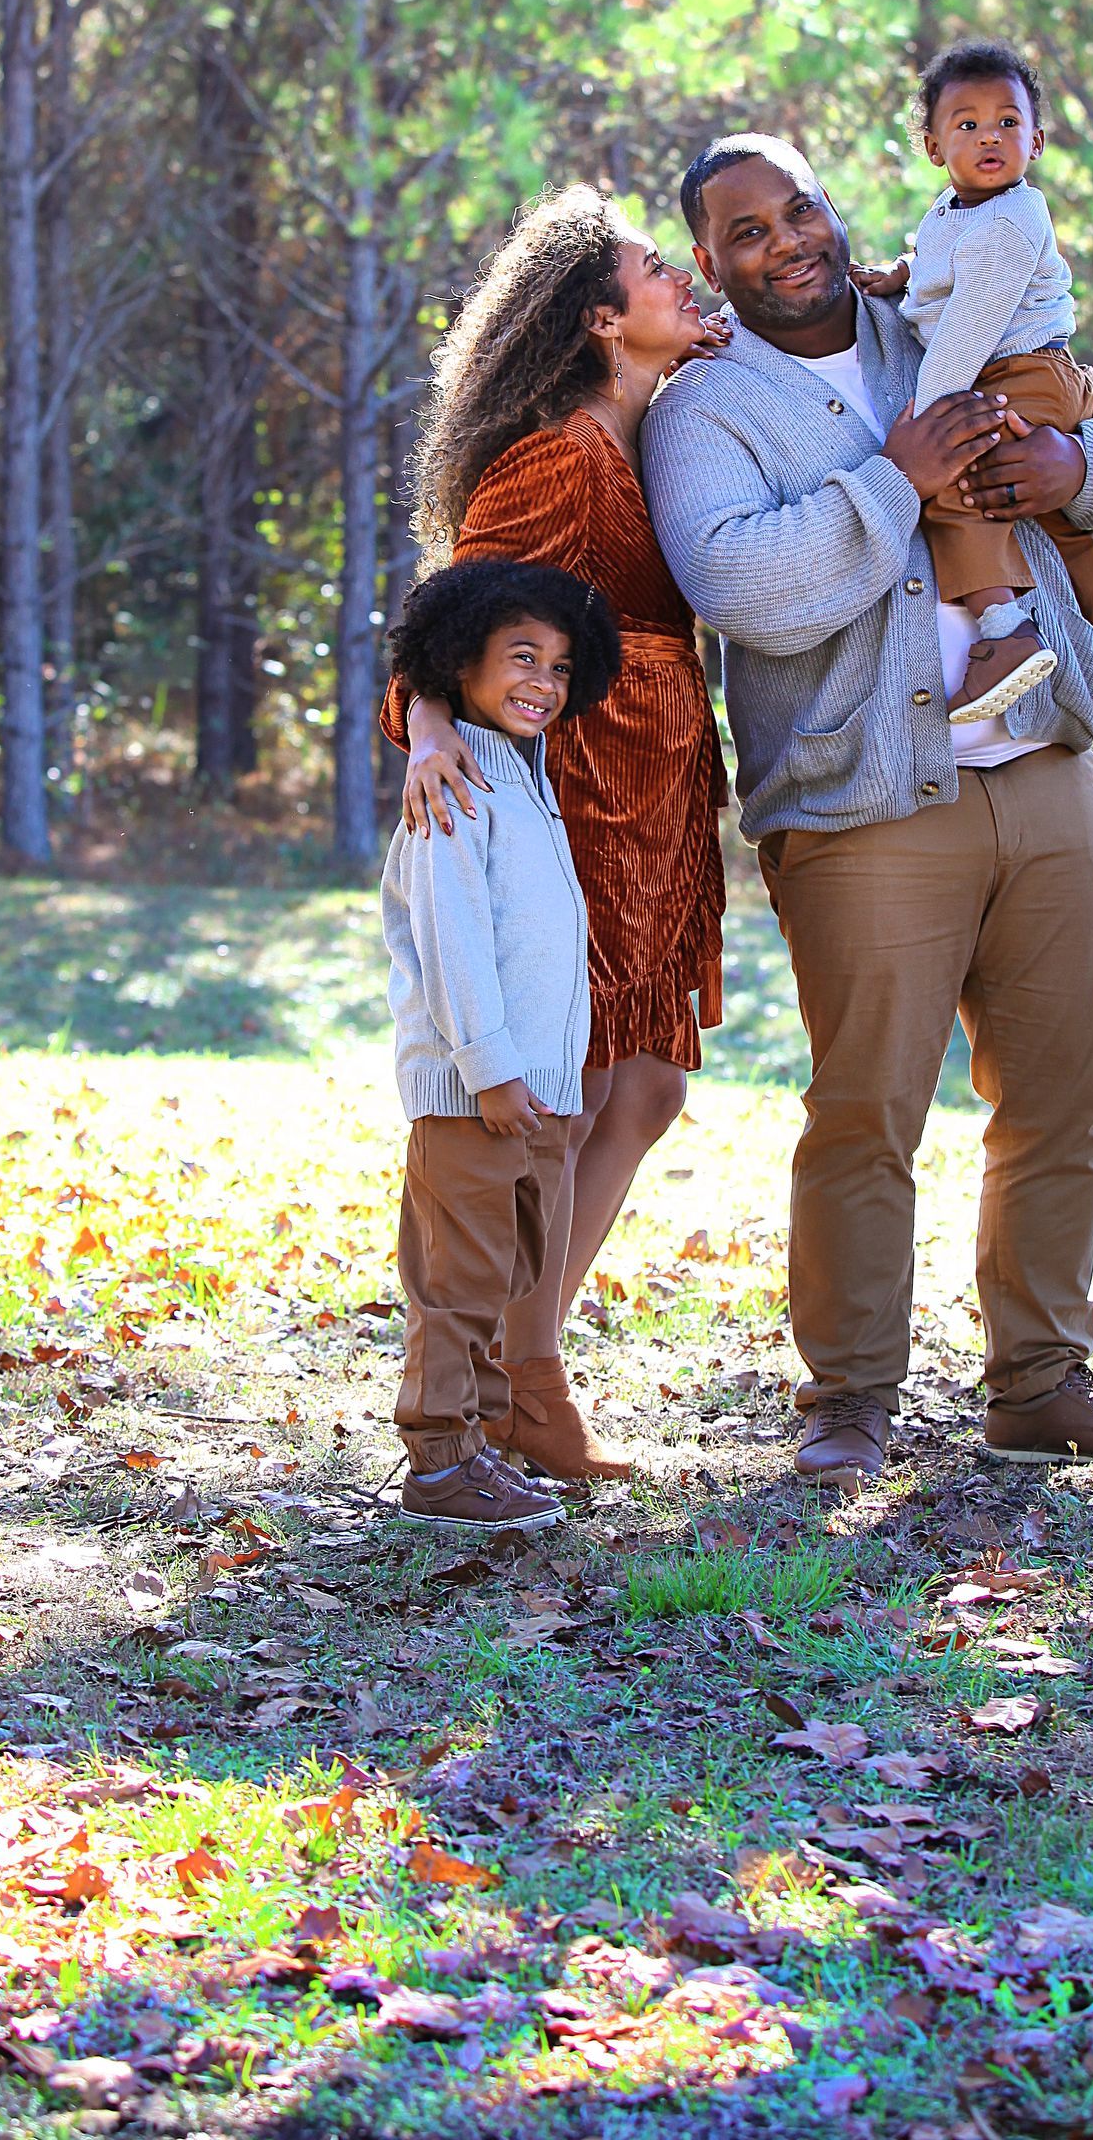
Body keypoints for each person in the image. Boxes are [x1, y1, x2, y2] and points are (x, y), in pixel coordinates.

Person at [643, 131, 1093, 1484]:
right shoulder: (705, 410)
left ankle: (1043, 1381)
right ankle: (849, 1401)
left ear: (834, 209)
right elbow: (740, 585)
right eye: (746, 231)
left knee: (1062, 1098)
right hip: (863, 800)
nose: (785, 242)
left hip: (1048, 766)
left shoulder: (931, 313)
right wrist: (899, 477)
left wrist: (1078, 472)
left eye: (799, 209)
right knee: (868, 1108)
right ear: (712, 264)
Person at [380, 184, 728, 1482]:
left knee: (639, 1089)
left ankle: (525, 1372)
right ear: (599, 316)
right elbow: (452, 619)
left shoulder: (642, 440)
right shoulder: (556, 456)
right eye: (656, 269)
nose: (684, 279)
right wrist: (422, 727)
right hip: (572, 803)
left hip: (654, 816)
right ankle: (502, 1387)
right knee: (560, 1101)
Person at [380, 558, 622, 1535]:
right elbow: (456, 943)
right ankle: (438, 1457)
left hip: (527, 1092)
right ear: (458, 662)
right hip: (471, 1092)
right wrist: (488, 1068)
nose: (544, 682)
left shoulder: (524, 780)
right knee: (457, 1280)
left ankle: (478, 1446)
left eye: (562, 666)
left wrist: (546, 1080)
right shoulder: (455, 785)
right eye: (522, 656)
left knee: (501, 1275)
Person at [854, 39, 1093, 735]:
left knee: (958, 495)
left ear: (1038, 140)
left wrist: (928, 424)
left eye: (1007, 123)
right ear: (934, 147)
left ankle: (1005, 634)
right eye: (966, 125)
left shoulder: (1014, 220)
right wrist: (900, 275)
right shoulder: (960, 209)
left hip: (1017, 373)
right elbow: (941, 259)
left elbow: (967, 328)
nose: (988, 137)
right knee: (1060, 522)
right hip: (1039, 375)